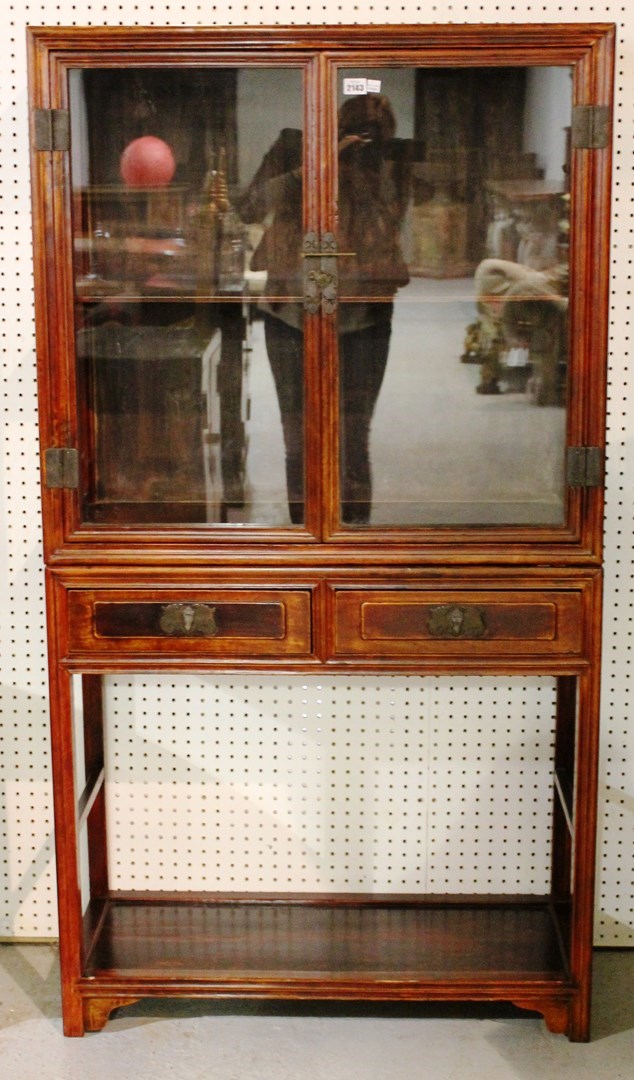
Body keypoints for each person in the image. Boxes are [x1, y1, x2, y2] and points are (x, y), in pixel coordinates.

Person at [238, 93, 412, 524]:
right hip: (292, 314)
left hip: (363, 316)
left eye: (375, 132)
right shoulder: (293, 147)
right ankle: (304, 535)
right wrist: (313, 169)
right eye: (355, 129)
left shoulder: (390, 164)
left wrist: (364, 175)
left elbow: (391, 228)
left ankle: (354, 542)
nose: (363, 140)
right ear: (332, 127)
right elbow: (248, 207)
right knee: (298, 436)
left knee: (354, 436)